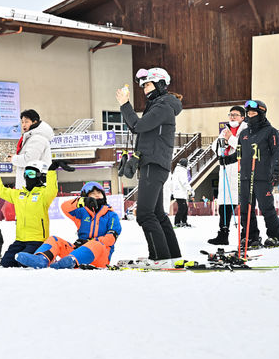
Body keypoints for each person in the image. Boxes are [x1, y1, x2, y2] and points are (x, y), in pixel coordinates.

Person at [116, 67, 182, 268]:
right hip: (153, 163)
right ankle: (171, 255)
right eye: (143, 85)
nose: (145, 89)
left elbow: (137, 126)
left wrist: (125, 104)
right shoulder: (159, 105)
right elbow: (139, 127)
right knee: (157, 213)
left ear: (161, 84)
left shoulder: (162, 107)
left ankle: (160, 257)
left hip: (153, 164)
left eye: (148, 84)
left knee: (144, 214)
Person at [15, 182, 122, 269]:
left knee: (96, 245)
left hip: (101, 256)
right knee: (54, 239)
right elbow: (65, 207)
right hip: (78, 251)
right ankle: (41, 259)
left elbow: (110, 239)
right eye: (92, 193)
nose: (97, 194)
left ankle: (70, 261)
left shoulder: (111, 215)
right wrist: (82, 202)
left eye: (99, 192)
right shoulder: (82, 213)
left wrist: (90, 242)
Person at [0, 158, 59, 267]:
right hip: (20, 240)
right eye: (25, 173)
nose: (27, 177)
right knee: (6, 263)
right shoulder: (19, 194)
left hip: (37, 240)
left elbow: (52, 190)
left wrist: (52, 171)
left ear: (40, 175)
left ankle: (44, 258)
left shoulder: (44, 195)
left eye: (31, 173)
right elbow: (1, 190)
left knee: (23, 262)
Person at [237, 100, 279, 249]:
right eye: (248, 113)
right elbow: (240, 154)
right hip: (245, 177)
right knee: (246, 209)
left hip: (262, 177)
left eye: (253, 113)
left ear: (261, 114)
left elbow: (277, 152)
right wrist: (225, 158)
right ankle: (251, 237)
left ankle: (274, 236)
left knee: (266, 208)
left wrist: (276, 172)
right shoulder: (243, 133)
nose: (250, 116)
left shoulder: (270, 132)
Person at [207, 106, 247, 245]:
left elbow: (244, 147)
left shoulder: (246, 129)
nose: (232, 117)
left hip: (239, 168)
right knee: (224, 202)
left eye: (235, 115)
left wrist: (230, 139)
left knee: (240, 201)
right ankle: (223, 234)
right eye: (230, 115)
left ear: (242, 117)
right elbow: (214, 147)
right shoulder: (225, 130)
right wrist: (222, 142)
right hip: (225, 169)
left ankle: (246, 234)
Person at [8, 109, 53, 189]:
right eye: (22, 122)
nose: (23, 125)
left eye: (26, 122)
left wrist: (14, 159)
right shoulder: (31, 138)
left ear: (35, 122)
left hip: (34, 188)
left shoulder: (38, 138)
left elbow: (29, 160)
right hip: (30, 186)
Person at [171, 158, 193, 227]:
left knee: (184, 208)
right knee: (182, 208)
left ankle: (184, 221)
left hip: (179, 192)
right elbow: (184, 182)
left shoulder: (177, 170)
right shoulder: (181, 170)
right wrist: (189, 189)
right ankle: (177, 222)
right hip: (180, 192)